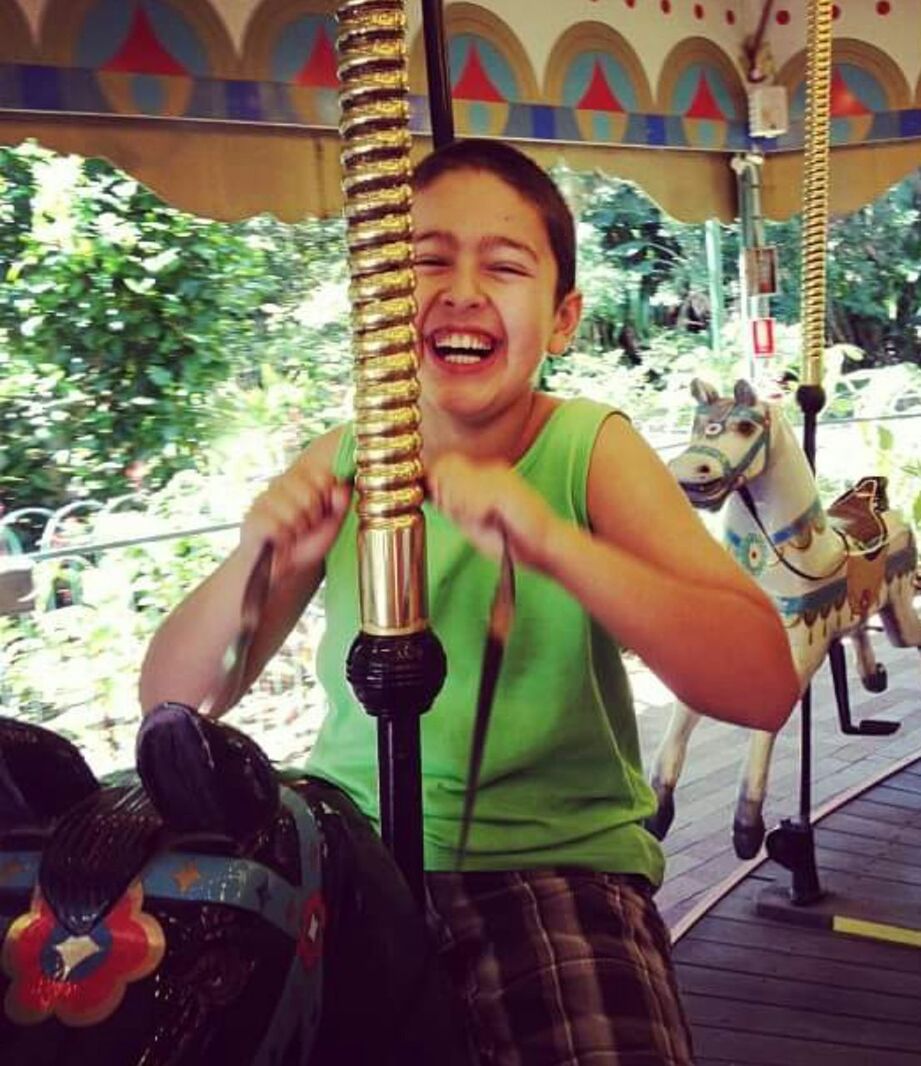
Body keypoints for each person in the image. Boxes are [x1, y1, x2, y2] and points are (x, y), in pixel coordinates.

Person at [140, 139, 799, 1065]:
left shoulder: (584, 448)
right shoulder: (344, 458)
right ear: (378, 305)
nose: (458, 288)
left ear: (561, 318)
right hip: (344, 844)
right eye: (423, 260)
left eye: (502, 264)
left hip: (551, 861)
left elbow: (761, 682)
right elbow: (175, 703)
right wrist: (256, 556)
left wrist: (550, 540)